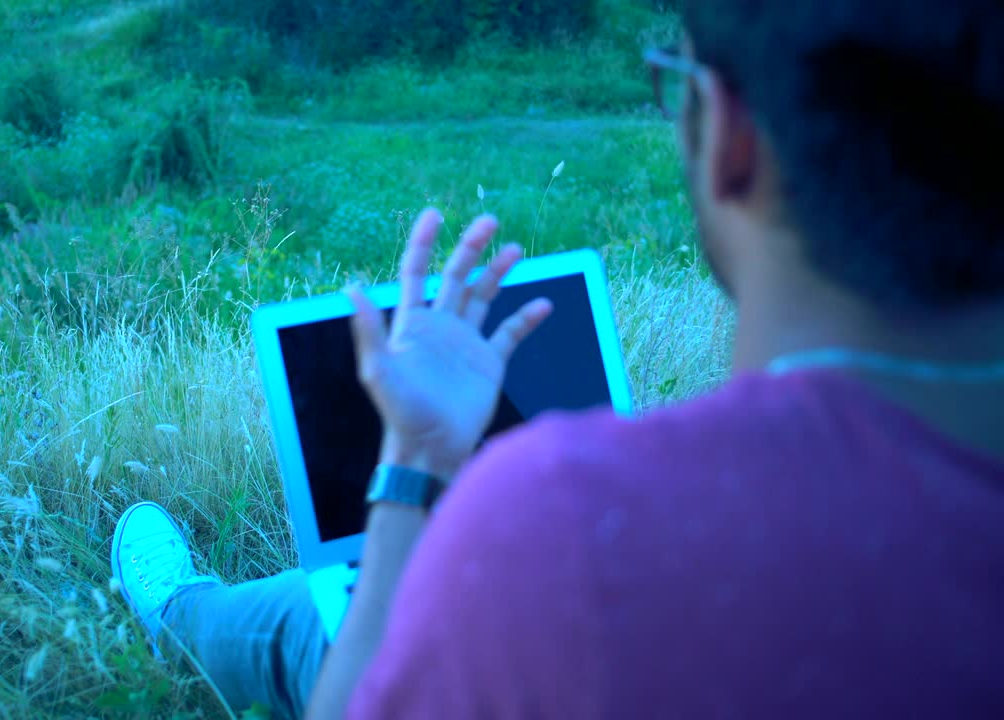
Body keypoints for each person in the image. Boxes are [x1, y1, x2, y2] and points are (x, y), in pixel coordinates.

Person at [111, 1, 1004, 717]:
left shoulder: (570, 520)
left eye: (679, 84)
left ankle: (176, 611)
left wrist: (416, 465)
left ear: (729, 138)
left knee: (295, 624)